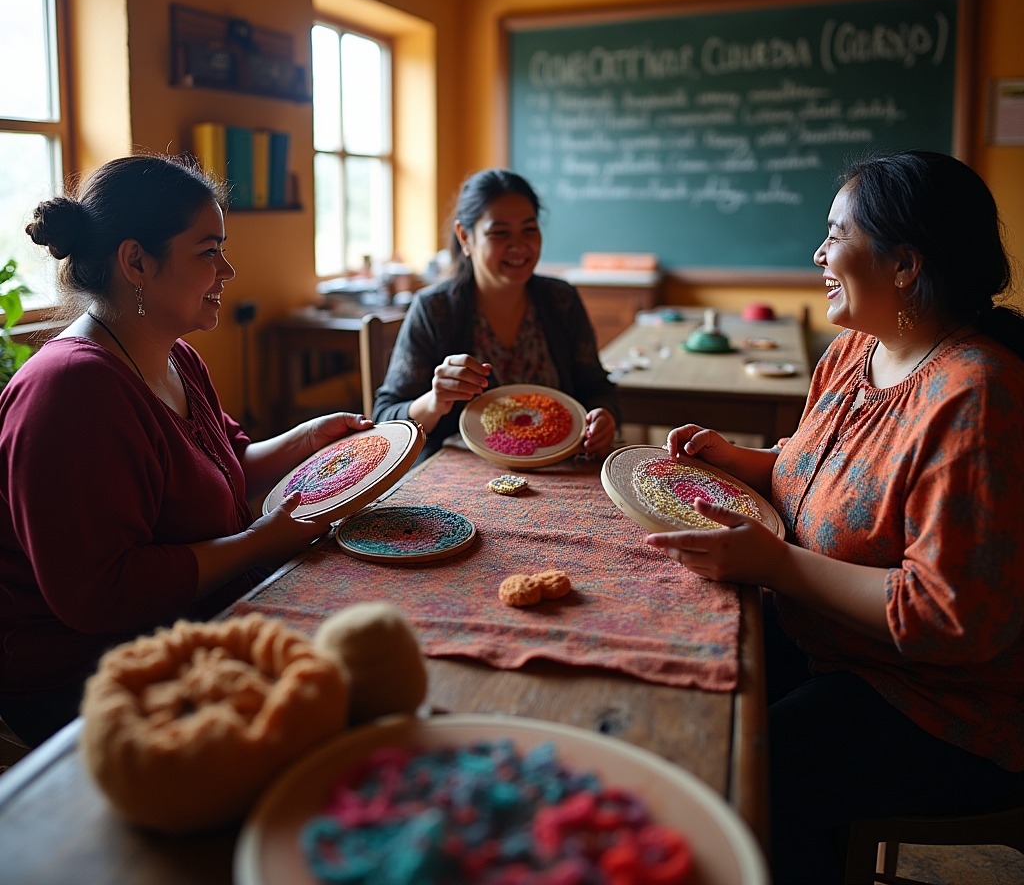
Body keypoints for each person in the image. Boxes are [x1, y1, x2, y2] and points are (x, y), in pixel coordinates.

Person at [645, 152, 1024, 884]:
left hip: (946, 704)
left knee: (748, 765)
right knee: (693, 682)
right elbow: (811, 465)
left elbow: (951, 618)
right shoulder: (854, 350)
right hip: (834, 646)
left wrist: (778, 565)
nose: (817, 255)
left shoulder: (976, 396)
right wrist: (741, 459)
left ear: (905, 263)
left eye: (834, 233)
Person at [0, 155, 372, 746]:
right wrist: (261, 542)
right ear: (136, 262)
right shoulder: (71, 390)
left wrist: (308, 438)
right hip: (90, 675)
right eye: (208, 251)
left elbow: (226, 467)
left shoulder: (174, 356)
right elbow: (100, 594)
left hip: (189, 622)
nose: (227, 269)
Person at [374, 169, 619, 460]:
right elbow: (386, 423)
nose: (518, 246)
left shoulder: (561, 300)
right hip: (456, 481)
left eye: (529, 229)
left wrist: (604, 418)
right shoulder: (435, 310)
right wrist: (435, 400)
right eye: (499, 233)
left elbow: (597, 389)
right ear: (465, 237)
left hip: (558, 470)